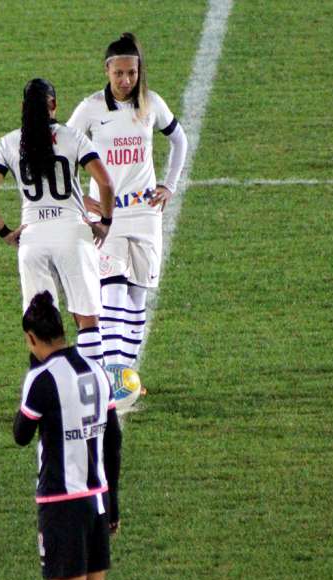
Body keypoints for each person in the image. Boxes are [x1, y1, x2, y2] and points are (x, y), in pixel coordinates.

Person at [13, 291, 122, 580]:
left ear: (32, 338)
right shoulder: (97, 371)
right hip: (96, 500)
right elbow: (113, 440)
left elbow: (21, 434)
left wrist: (33, 370)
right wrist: (113, 502)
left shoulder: (41, 379)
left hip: (61, 504)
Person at [68, 32, 188, 370]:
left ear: (139, 71)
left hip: (145, 213)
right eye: (119, 73)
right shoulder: (91, 108)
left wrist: (169, 185)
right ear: (107, 70)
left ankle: (125, 371)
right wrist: (79, 198)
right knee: (112, 293)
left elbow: (180, 140)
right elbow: (63, 152)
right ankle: (111, 372)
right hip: (107, 216)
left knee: (137, 297)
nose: (126, 80)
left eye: (132, 73)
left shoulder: (152, 104)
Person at [0, 78, 116, 364]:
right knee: (87, 319)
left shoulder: (9, 142)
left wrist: (5, 232)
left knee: (41, 327)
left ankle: (46, 386)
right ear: (53, 104)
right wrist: (104, 221)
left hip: (33, 239)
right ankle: (94, 384)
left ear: (22, 107)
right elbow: (105, 183)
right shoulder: (73, 137)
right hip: (73, 234)